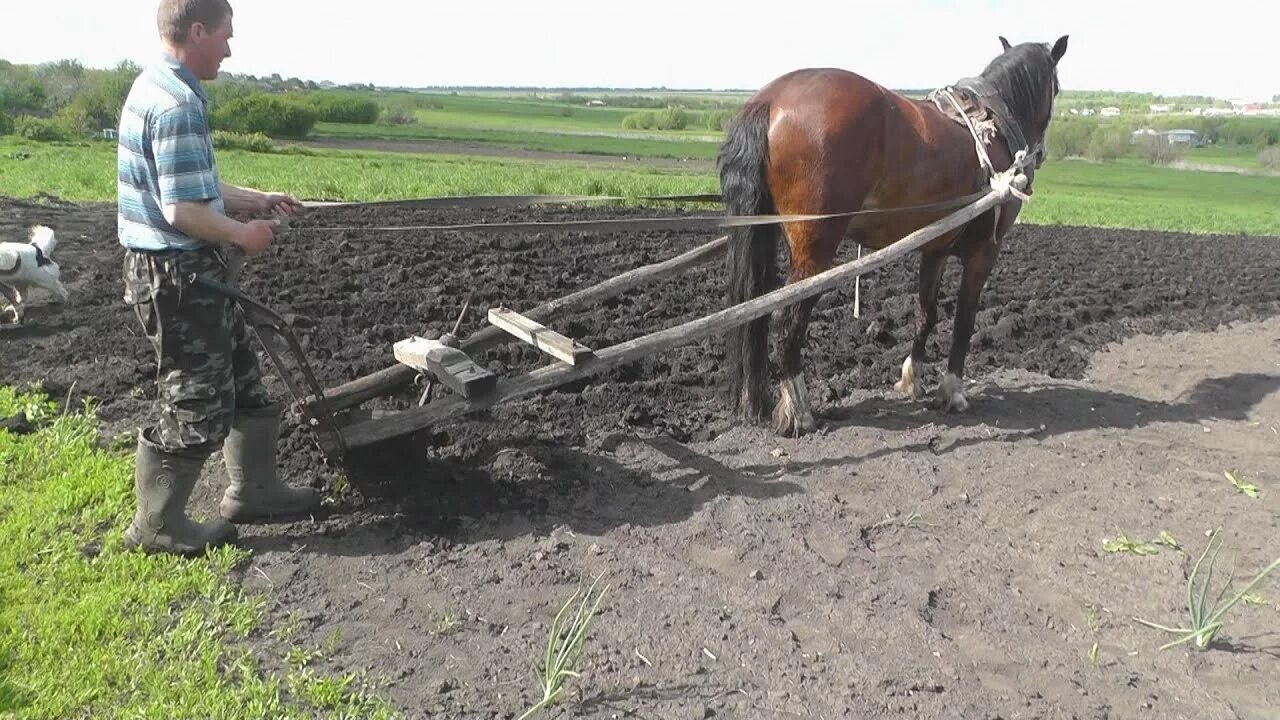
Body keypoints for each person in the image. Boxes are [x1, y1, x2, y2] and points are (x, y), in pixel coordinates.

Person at [118, 0, 318, 555]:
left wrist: (258, 200)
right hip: (178, 276)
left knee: (243, 379)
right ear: (198, 30)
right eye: (226, 36)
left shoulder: (155, 85)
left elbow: (191, 185)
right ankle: (157, 526)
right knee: (194, 399)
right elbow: (183, 211)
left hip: (187, 273)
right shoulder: (177, 103)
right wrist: (242, 234)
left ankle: (253, 490)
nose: (230, 49)